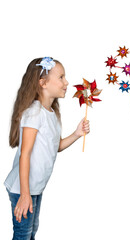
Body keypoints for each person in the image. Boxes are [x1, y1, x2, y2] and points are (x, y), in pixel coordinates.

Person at [4, 57, 90, 239]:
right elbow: (25, 155)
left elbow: (55, 146)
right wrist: (25, 195)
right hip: (23, 188)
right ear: (43, 83)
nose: (66, 82)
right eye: (61, 77)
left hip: (35, 187)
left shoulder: (52, 113)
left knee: (31, 231)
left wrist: (76, 134)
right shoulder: (34, 113)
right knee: (23, 234)